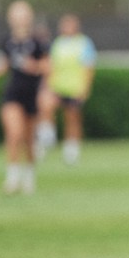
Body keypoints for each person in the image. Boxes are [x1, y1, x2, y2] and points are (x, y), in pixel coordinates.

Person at [0, 0, 49, 195]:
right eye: (16, 15)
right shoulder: (7, 42)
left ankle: (29, 176)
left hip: (31, 95)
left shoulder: (38, 42)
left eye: (23, 15)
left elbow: (47, 67)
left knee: (28, 141)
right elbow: (5, 63)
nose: (20, 19)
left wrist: (33, 66)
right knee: (14, 133)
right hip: (13, 94)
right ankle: (12, 178)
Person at [35, 13, 96, 165]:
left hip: (75, 87)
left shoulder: (83, 43)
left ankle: (71, 150)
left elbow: (88, 67)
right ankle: (47, 136)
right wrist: (46, 83)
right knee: (45, 107)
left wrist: (86, 88)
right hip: (57, 86)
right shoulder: (58, 43)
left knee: (72, 118)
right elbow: (51, 65)